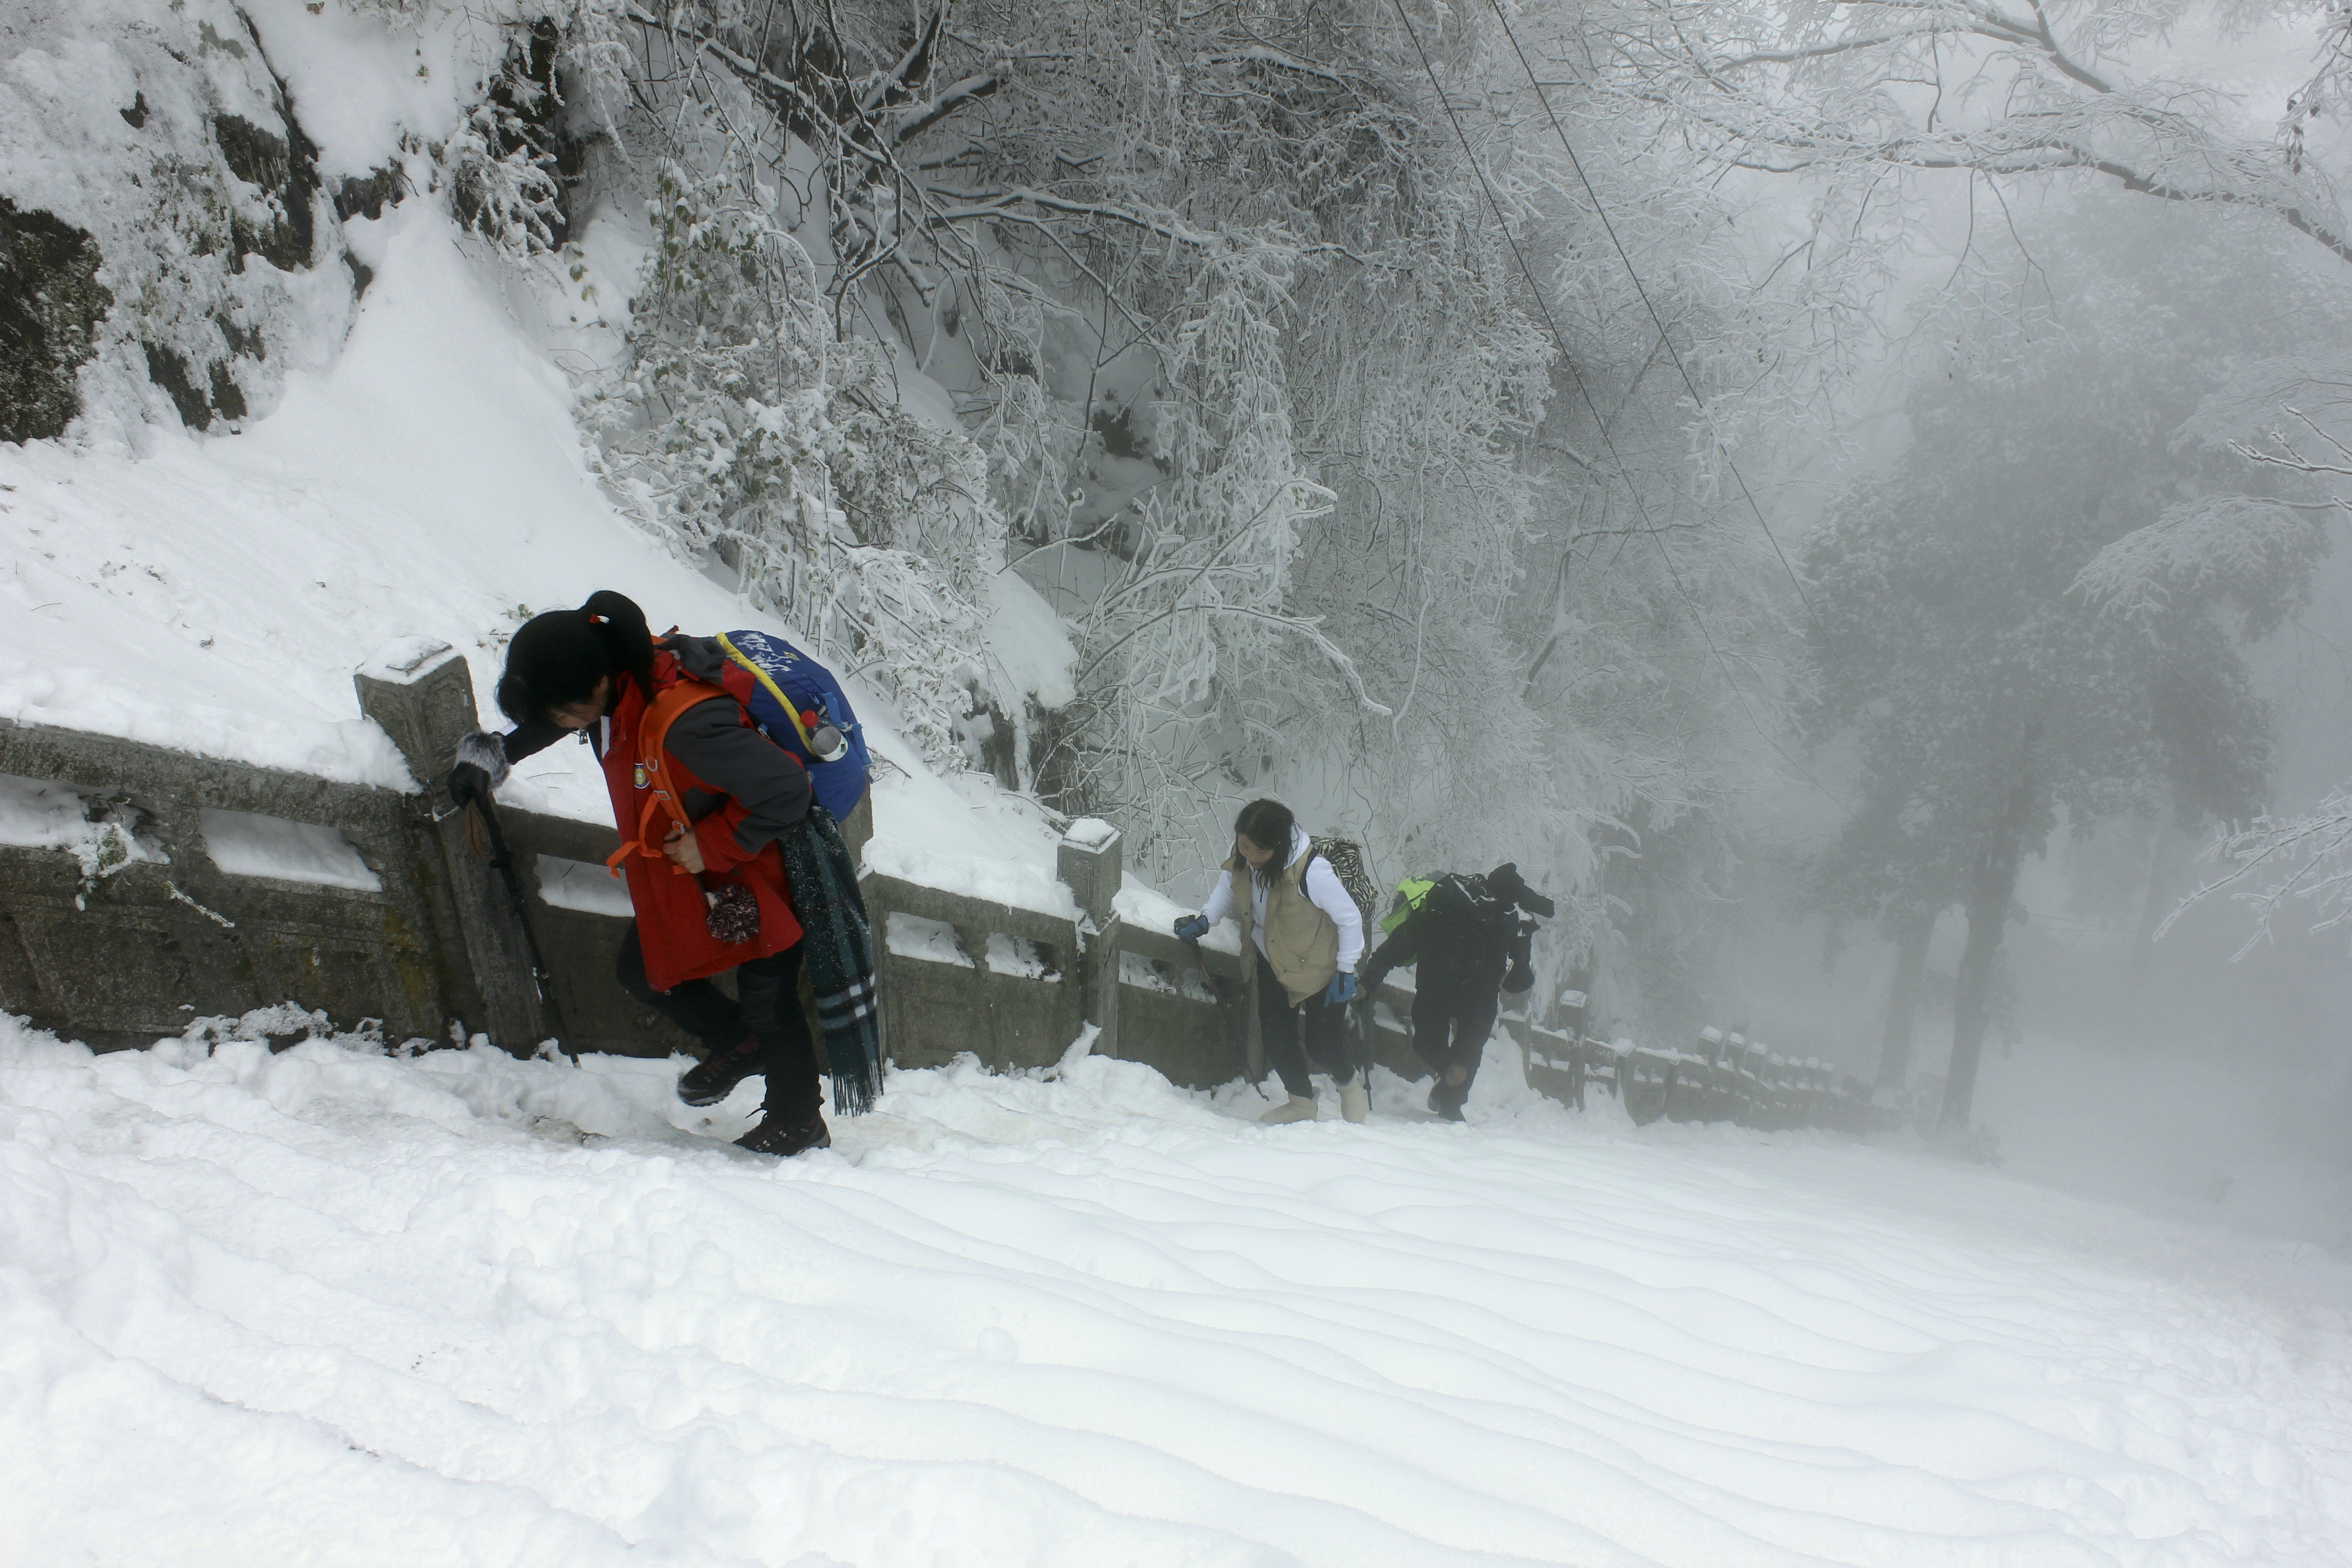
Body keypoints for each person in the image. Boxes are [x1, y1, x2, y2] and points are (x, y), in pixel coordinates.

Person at [446, 591, 832, 1157]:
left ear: (598, 683)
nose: (560, 725)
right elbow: (566, 712)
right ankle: (739, 1042)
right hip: (692, 870)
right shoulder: (623, 669)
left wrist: (713, 844)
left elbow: (786, 790)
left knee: (770, 999)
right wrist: (493, 755)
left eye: (561, 713)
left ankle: (800, 1123)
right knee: (649, 970)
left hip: (760, 866)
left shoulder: (685, 721)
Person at [1175, 799, 1367, 1123]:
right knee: (1277, 1037)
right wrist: (1207, 919)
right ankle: (1302, 1102)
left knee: (1323, 1046)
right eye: (1243, 846)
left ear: (1276, 847)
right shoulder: (1246, 854)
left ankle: (1350, 1088)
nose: (1247, 856)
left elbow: (1349, 919)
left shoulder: (1312, 872)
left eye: (1255, 851)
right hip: (1271, 958)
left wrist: (1347, 970)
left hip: (1319, 967)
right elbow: (1230, 884)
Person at [1358, 863, 1552, 1121]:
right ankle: (1452, 1104)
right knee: (1469, 1053)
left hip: (1435, 988)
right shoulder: (1505, 918)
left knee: (1428, 1044)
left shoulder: (1435, 915)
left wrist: (1366, 985)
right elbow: (1520, 973)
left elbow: (1389, 953)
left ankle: (1450, 1085)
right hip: (1480, 996)